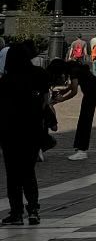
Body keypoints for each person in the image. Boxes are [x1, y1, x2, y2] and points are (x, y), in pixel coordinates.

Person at [0, 46, 50, 225]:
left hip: (10, 132)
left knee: (13, 175)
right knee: (29, 172)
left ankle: (16, 213)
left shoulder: (5, 80)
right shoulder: (39, 74)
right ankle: (34, 210)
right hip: (32, 129)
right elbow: (45, 101)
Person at [61, 51, 96, 159]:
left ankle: (82, 150)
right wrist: (63, 92)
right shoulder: (78, 69)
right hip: (93, 93)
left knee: (85, 121)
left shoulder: (73, 71)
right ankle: (80, 147)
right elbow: (72, 85)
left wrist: (62, 99)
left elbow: (74, 91)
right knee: (84, 120)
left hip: (91, 94)